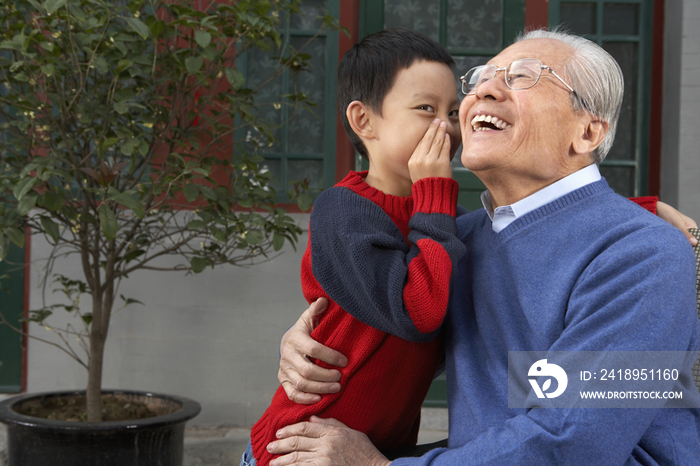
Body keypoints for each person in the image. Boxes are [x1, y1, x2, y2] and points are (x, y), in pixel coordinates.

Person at [266, 29, 700, 465]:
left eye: (523, 76)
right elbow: (416, 330)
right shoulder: (464, 238)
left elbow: (572, 443)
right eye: (482, 78)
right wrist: (313, 345)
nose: (484, 91)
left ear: (587, 132)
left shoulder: (646, 253)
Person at [243, 28, 468, 466]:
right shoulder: (343, 210)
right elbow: (417, 314)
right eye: (426, 108)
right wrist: (436, 193)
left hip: (376, 453)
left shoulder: (438, 218)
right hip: (300, 449)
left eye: (454, 112)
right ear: (364, 121)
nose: (446, 126)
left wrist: (636, 208)